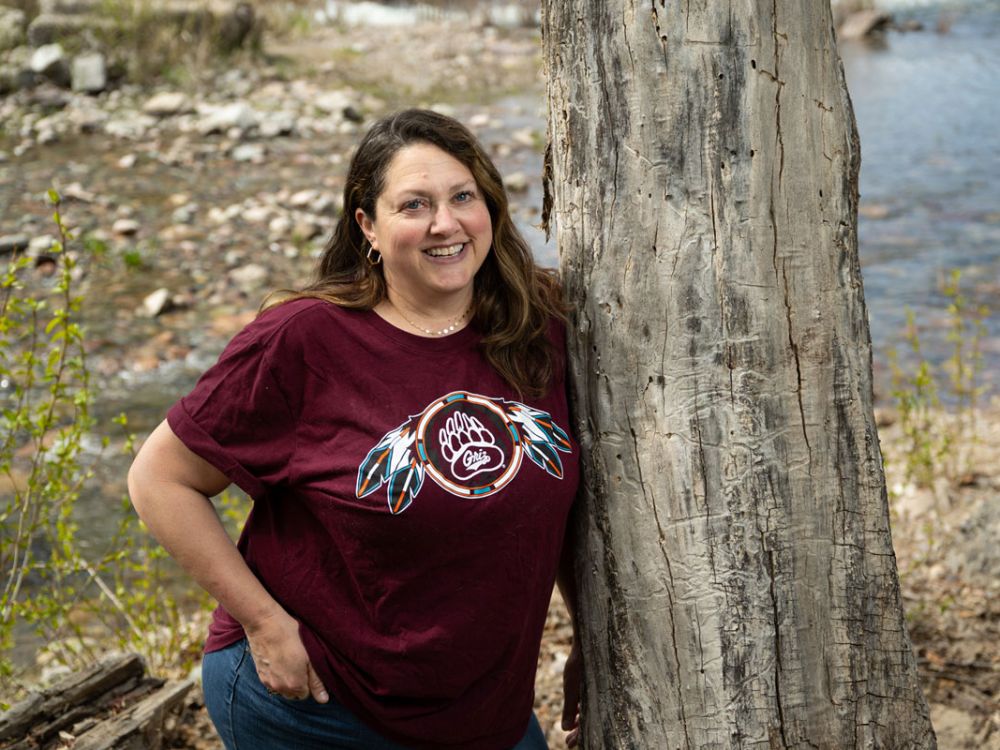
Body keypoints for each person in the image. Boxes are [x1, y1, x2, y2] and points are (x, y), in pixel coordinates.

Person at [127, 108, 582, 750]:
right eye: (414, 205)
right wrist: (264, 624)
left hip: (483, 711)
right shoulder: (305, 341)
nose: (445, 224)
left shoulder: (537, 330)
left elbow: (561, 510)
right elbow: (159, 479)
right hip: (317, 705)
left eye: (462, 197)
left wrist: (591, 637)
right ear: (367, 225)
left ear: (492, 208)